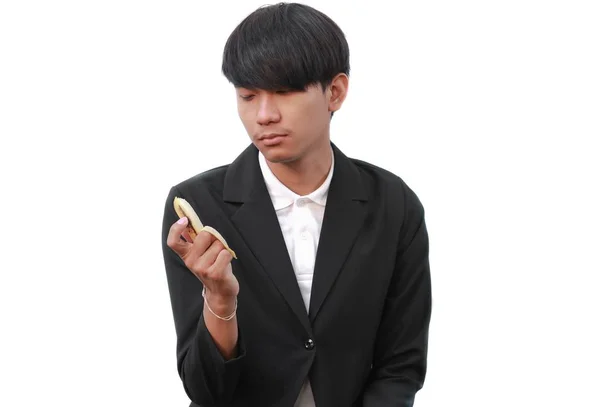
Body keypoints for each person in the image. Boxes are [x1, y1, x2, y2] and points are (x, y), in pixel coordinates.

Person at [161, 3, 432, 406]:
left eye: (285, 92)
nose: (264, 115)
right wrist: (219, 300)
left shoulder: (393, 205)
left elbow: (400, 365)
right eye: (248, 96)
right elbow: (205, 390)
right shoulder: (198, 207)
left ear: (335, 92)